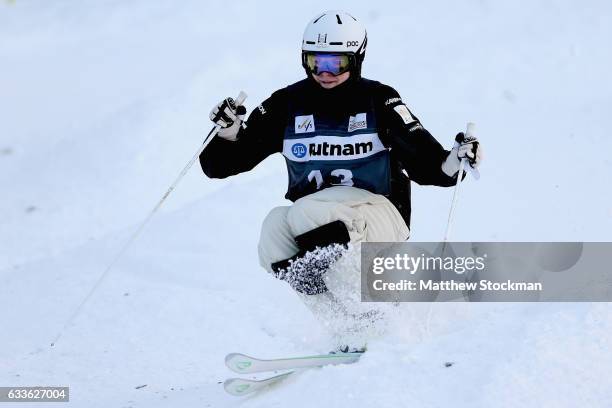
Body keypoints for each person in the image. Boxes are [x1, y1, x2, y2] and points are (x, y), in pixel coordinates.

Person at [200, 11, 482, 343]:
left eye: (337, 63)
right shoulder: (287, 105)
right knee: (274, 231)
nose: (325, 73)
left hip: (380, 215)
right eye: (314, 62)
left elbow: (431, 166)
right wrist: (229, 132)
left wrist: (456, 159)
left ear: (357, 58)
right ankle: (345, 329)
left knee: (305, 212)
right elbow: (220, 166)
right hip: (321, 222)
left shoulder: (378, 100)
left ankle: (383, 317)